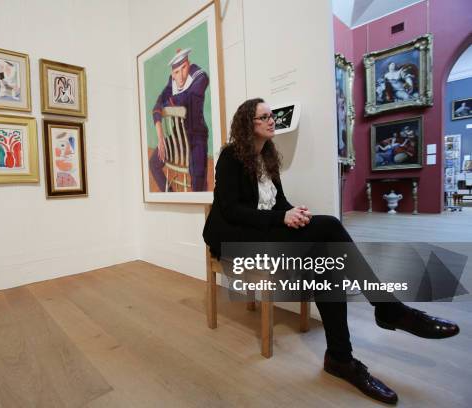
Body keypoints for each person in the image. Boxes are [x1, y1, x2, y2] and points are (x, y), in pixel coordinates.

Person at [203, 98, 460, 405]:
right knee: (330, 228)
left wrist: (293, 212)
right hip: (234, 238)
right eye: (263, 117)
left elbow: (277, 203)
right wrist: (280, 217)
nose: (272, 120)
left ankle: (341, 356)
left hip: (262, 230)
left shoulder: (267, 157)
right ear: (248, 124)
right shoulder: (231, 157)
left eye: (272, 116)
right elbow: (232, 211)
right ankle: (385, 311)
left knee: (326, 253)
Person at [149, 48, 209, 192]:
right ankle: (170, 195)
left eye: (183, 68)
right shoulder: (173, 81)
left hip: (197, 138)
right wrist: (160, 137)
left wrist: (167, 103)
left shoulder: (200, 77)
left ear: (189, 64)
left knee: (197, 183)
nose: (181, 77)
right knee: (153, 163)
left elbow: (186, 98)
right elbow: (157, 106)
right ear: (172, 74)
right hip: (178, 139)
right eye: (176, 72)